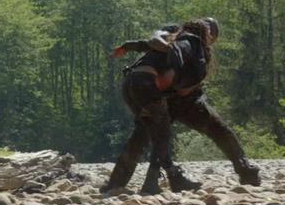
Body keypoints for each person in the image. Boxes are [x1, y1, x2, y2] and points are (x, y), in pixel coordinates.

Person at [103, 17, 261, 195]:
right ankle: (244, 171)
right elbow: (189, 81)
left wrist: (127, 46)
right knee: (217, 130)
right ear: (208, 36)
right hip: (176, 97)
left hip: (155, 90)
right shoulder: (192, 43)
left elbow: (150, 44)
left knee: (144, 137)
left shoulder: (176, 35)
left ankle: (119, 184)